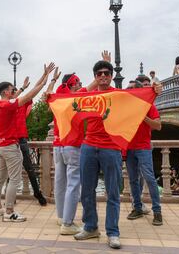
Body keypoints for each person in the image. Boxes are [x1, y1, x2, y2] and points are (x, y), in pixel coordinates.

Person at [73, 60, 162, 249]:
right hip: (89, 145)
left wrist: (155, 90)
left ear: (112, 75)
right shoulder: (88, 95)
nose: (103, 76)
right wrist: (49, 96)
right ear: (95, 77)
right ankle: (90, 227)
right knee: (86, 191)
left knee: (113, 192)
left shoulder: (120, 95)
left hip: (111, 147)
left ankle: (113, 232)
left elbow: (142, 100)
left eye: (106, 73)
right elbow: (68, 100)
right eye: (99, 73)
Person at [0, 63, 55, 222]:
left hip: (0, 147)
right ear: (5, 92)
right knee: (15, 179)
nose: (14, 91)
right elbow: (29, 95)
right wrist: (44, 82)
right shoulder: (8, 104)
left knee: (0, 178)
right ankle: (9, 212)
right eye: (12, 90)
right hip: (10, 147)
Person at [125, 75, 163, 226]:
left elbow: (158, 126)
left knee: (149, 178)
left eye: (131, 89)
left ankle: (157, 211)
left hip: (143, 147)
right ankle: (137, 208)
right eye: (128, 89)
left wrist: (143, 117)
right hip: (129, 148)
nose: (129, 91)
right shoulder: (125, 107)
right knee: (133, 180)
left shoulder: (149, 106)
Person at [13, 76, 47, 206]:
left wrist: (44, 77)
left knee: (29, 169)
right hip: (13, 141)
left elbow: (34, 90)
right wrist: (22, 88)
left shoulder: (22, 104)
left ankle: (37, 193)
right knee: (13, 171)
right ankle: (13, 196)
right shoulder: (7, 106)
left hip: (21, 140)